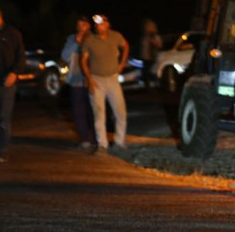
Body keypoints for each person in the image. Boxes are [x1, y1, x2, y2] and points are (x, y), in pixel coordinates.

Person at [80, 14, 129, 155]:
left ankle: (120, 142)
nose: (98, 26)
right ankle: (102, 145)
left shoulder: (116, 36)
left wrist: (122, 63)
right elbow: (83, 61)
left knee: (120, 112)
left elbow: (125, 46)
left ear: (107, 24)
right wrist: (89, 79)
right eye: (96, 24)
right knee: (99, 113)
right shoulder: (89, 40)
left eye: (101, 23)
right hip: (96, 80)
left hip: (113, 78)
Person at [0, 5, 26, 162]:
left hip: (6, 82)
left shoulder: (12, 33)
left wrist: (15, 73)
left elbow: (20, 56)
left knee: (4, 118)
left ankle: (3, 151)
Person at [61, 16, 96, 149]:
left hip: (92, 79)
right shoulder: (71, 39)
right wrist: (76, 43)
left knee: (93, 109)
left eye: (84, 25)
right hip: (76, 79)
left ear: (89, 26)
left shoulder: (94, 38)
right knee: (78, 110)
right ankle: (84, 138)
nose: (81, 28)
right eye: (79, 25)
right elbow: (64, 56)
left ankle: (95, 138)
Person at [140, 19, 162, 88]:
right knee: (145, 73)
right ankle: (147, 86)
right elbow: (142, 48)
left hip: (153, 58)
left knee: (150, 72)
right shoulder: (145, 37)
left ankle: (156, 84)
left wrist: (153, 42)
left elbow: (159, 46)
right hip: (145, 58)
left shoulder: (155, 37)